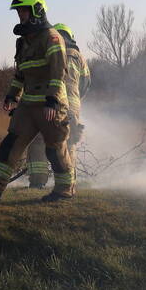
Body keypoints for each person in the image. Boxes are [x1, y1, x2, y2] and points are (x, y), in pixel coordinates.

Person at [0, 0, 75, 204]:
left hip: (50, 105)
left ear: (37, 10)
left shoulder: (52, 37)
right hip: (28, 105)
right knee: (11, 144)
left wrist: (53, 101)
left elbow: (59, 72)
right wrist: (12, 96)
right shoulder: (23, 41)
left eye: (24, 11)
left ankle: (65, 190)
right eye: (18, 12)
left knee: (55, 150)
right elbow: (21, 73)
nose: (21, 15)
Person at [26, 23, 91, 188]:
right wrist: (75, 100)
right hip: (72, 107)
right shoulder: (78, 56)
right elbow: (86, 83)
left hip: (50, 102)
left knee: (38, 140)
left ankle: (37, 181)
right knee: (68, 143)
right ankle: (69, 183)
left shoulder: (49, 51)